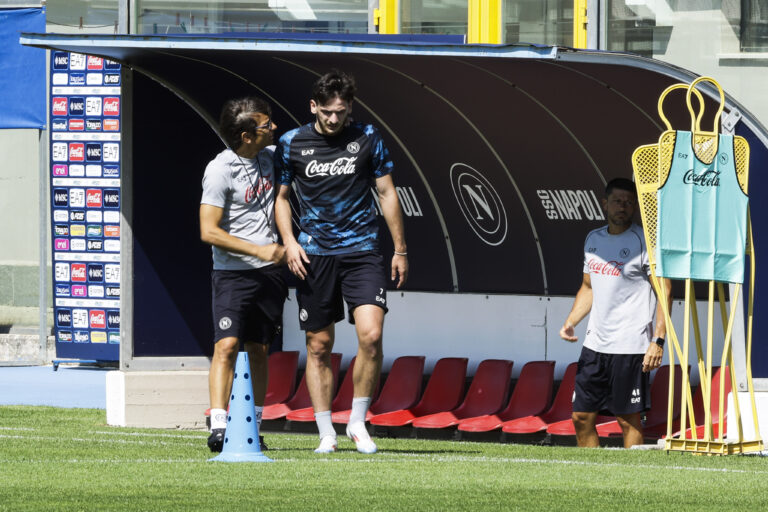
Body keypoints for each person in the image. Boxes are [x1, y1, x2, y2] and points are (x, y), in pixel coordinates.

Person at [274, 70, 408, 454]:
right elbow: (281, 198)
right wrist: (289, 243)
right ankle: (325, 432)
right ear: (313, 106)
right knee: (319, 346)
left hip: (362, 250)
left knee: (372, 336)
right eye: (327, 111)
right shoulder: (291, 142)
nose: (334, 119)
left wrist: (400, 249)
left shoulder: (368, 137)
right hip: (313, 255)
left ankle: (357, 422)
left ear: (350, 107)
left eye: (341, 111)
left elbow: (387, 192)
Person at [200, 96, 287, 452]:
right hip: (232, 275)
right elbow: (208, 231)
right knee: (226, 346)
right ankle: (219, 426)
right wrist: (259, 250)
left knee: (259, 350)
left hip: (270, 276)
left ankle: (253, 426)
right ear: (247, 135)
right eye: (267, 125)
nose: (274, 128)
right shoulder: (220, 169)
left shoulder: (272, 156)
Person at [559, 177, 671, 448]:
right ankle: (593, 472)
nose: (623, 207)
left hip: (630, 347)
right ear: (605, 204)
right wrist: (571, 321)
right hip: (594, 346)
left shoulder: (645, 241)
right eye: (617, 201)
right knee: (581, 417)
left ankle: (634, 473)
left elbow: (664, 291)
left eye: (629, 203)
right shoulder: (593, 239)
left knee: (627, 419)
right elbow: (588, 287)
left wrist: (658, 341)